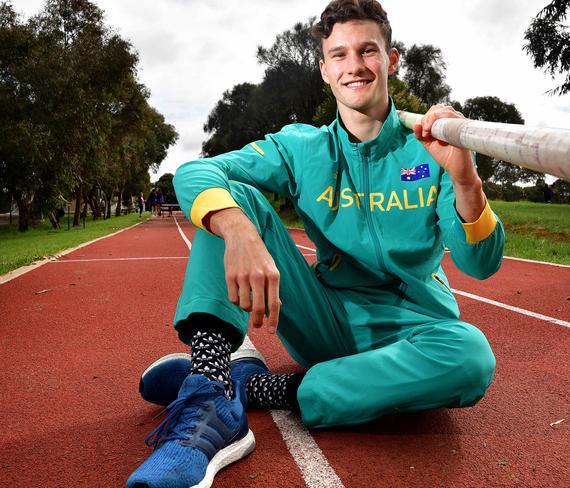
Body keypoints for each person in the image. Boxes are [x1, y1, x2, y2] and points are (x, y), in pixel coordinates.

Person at [127, 1, 505, 486]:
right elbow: (199, 170)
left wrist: (466, 181)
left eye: (368, 50)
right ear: (325, 69)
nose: (355, 65)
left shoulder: (429, 150)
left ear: (390, 60)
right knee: (230, 199)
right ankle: (210, 389)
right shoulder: (303, 147)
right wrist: (239, 231)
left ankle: (260, 388)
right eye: (340, 54)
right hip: (325, 319)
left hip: (415, 331)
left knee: (471, 357)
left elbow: (481, 264)